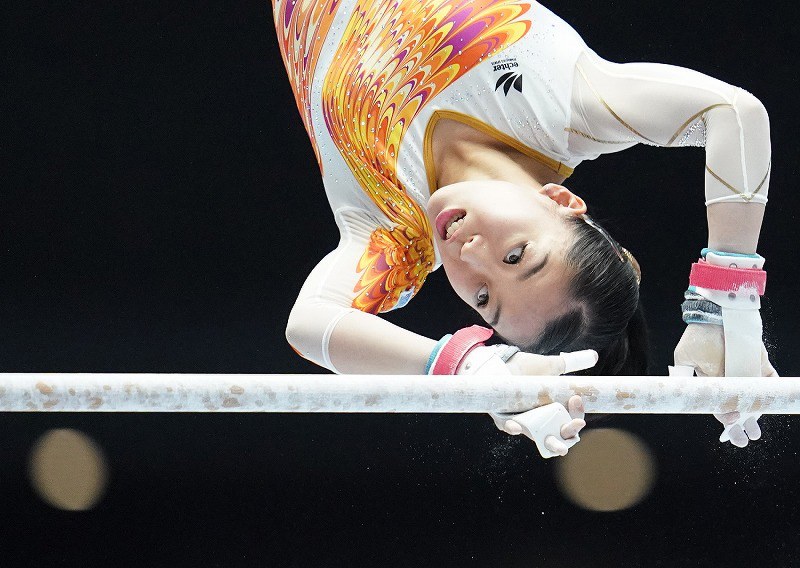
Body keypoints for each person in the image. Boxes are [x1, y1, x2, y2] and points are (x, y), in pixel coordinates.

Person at [272, 0, 775, 451]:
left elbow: (310, 324)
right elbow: (733, 113)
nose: (471, 256)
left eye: (484, 300)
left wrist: (468, 367)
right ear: (560, 201)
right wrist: (724, 308)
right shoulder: (564, 110)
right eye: (517, 256)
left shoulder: (393, 233)